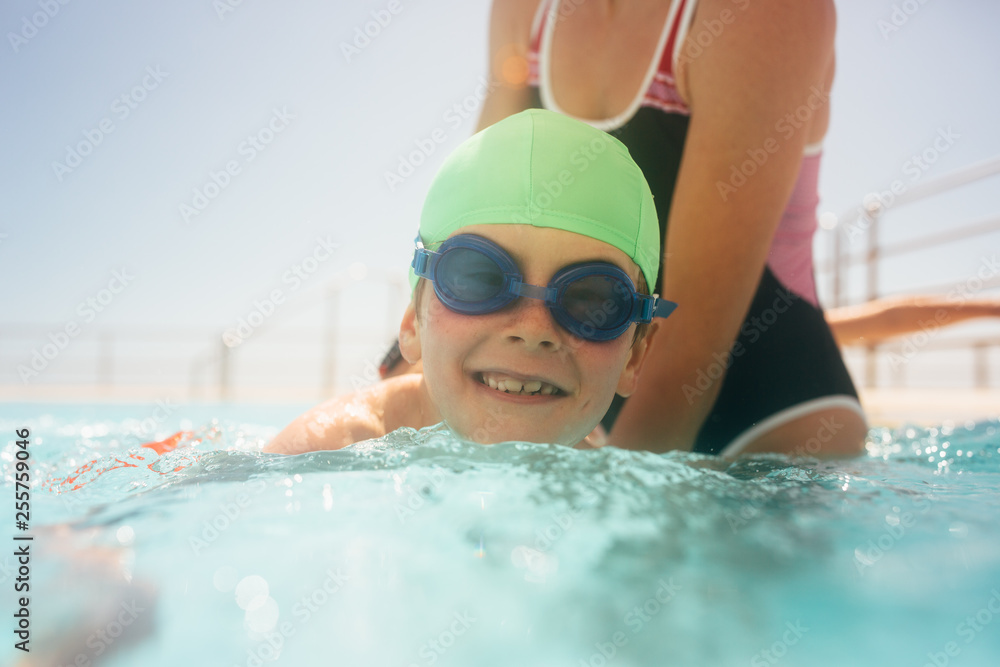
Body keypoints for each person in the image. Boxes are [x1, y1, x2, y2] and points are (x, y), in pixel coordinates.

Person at [379, 0, 868, 457]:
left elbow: (690, 342)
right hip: (592, 380)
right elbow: (477, 211)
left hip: (772, 414)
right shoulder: (526, 10)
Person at [264, 109, 678, 454]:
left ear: (634, 357)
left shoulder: (617, 501)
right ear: (412, 322)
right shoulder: (325, 452)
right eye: (480, 279)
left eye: (591, 301)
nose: (533, 330)